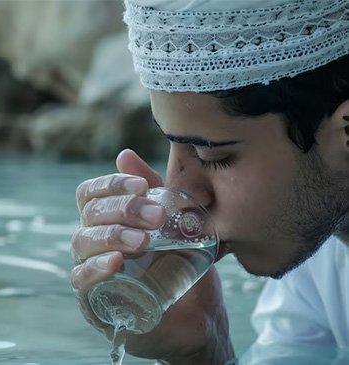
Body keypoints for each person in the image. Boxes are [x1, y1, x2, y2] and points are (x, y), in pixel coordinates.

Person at [70, 0, 349, 364]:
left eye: (213, 157)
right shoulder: (318, 252)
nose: (179, 191)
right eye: (169, 145)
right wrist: (202, 350)